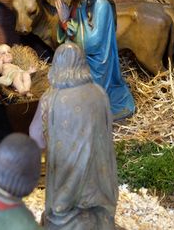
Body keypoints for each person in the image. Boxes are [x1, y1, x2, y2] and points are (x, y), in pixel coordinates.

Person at [29, 42, 118, 230]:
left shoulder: (50, 98)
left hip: (65, 184)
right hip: (99, 187)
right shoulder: (100, 94)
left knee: (60, 210)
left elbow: (35, 135)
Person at [55, 0, 135, 120]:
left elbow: (91, 44)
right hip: (78, 57)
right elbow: (75, 27)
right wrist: (66, 21)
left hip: (96, 62)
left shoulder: (101, 5)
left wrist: (65, 22)